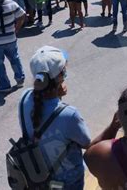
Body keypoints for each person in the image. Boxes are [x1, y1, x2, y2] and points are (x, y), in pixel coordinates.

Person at [18, 46, 92, 189]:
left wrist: (57, 96)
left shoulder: (24, 97)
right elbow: (86, 143)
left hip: (37, 176)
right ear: (60, 76)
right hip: (67, 181)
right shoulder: (69, 115)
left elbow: (43, 113)